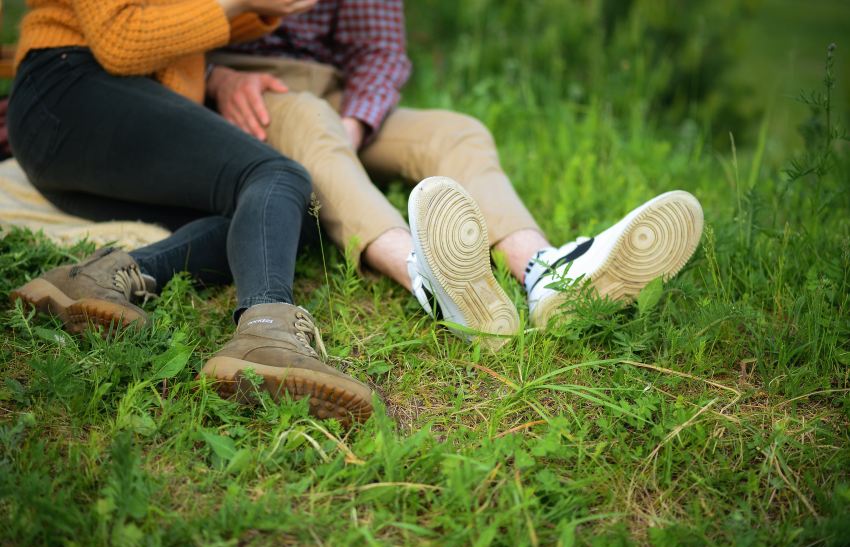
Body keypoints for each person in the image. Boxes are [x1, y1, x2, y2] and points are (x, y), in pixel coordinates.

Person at [205, 0, 705, 350]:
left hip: (334, 94)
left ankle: (544, 272)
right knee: (313, 123)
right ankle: (425, 278)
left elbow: (379, 50)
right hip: (246, 91)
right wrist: (215, 78)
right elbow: (146, 30)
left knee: (457, 132)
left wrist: (354, 127)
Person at [5, 0, 373, 426]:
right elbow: (120, 40)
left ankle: (100, 275)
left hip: (108, 131)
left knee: (287, 218)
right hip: (69, 95)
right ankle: (268, 331)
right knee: (276, 174)